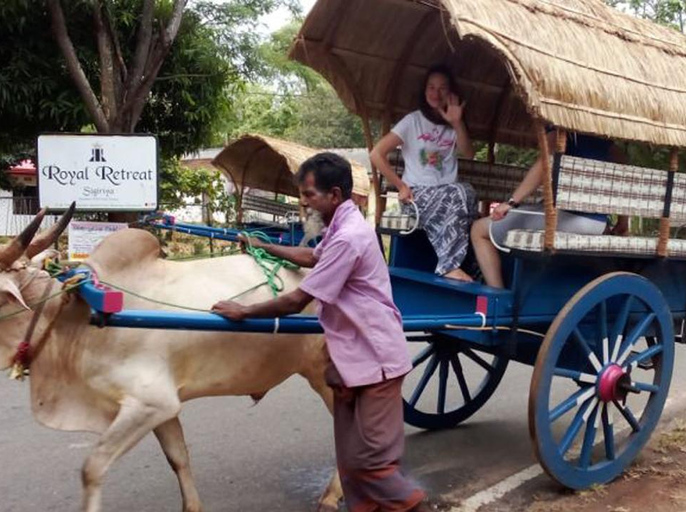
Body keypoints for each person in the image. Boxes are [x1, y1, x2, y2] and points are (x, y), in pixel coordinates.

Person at [212, 153, 427, 512]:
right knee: (349, 461)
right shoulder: (341, 226)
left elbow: (297, 300)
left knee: (372, 464)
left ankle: (418, 507)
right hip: (347, 360)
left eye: (310, 194)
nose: (304, 202)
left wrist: (245, 311)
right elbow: (312, 257)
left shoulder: (350, 237)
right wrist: (263, 246)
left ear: (335, 194)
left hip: (375, 360)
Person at [471, 132, 629, 288]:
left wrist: (511, 202)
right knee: (535, 209)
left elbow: (545, 162)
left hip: (569, 220)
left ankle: (497, 298)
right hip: (598, 225)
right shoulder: (605, 141)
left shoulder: (560, 127)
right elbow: (624, 172)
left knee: (479, 229)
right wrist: (623, 221)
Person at [370, 64, 476, 282]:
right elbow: (377, 154)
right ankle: (448, 265)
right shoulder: (413, 121)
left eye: (442, 88)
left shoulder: (453, 124)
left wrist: (457, 123)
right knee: (459, 193)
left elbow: (468, 153)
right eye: (431, 87)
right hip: (416, 196)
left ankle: (468, 265)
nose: (436, 94)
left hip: (447, 194)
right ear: (424, 90)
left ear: (451, 92)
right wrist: (400, 186)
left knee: (467, 192)